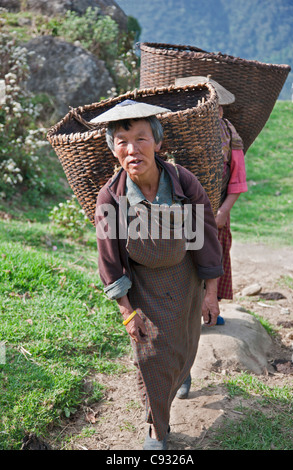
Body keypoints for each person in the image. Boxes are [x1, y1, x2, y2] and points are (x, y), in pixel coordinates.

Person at [91, 99, 224, 450]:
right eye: (122, 141)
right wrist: (127, 312)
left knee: (183, 340)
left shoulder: (182, 183)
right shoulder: (111, 198)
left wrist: (211, 293)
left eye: (141, 138)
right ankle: (157, 431)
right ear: (114, 150)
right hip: (143, 286)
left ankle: (182, 372)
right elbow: (110, 262)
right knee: (149, 356)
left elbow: (205, 239)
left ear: (158, 142)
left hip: (184, 279)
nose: (132, 149)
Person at [175, 76, 248, 399]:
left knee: (210, 262)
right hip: (175, 223)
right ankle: (183, 366)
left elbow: (237, 182)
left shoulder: (231, 138)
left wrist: (222, 211)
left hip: (213, 215)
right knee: (182, 281)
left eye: (212, 106)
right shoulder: (174, 131)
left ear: (218, 110)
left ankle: (210, 308)